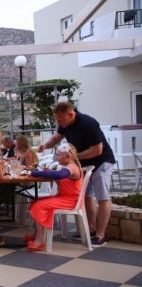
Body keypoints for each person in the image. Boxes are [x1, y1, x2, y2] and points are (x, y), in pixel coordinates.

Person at [38, 102, 115, 247]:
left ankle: (100, 235)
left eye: (60, 120)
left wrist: (73, 157)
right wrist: (46, 145)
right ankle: (91, 229)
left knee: (103, 198)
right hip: (84, 164)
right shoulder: (65, 123)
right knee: (86, 196)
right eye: (57, 120)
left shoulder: (88, 124)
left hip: (102, 162)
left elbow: (97, 150)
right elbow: (56, 137)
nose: (59, 123)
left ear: (71, 114)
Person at [25, 143, 83, 251]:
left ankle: (40, 240)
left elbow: (60, 175)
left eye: (59, 155)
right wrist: (49, 173)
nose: (57, 157)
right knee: (35, 202)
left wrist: (36, 173)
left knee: (39, 205)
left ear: (68, 156)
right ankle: (37, 232)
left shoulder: (72, 167)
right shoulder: (68, 166)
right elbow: (62, 182)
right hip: (64, 198)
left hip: (71, 201)